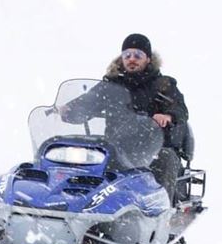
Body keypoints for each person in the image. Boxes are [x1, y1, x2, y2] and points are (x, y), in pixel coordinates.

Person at [60, 33, 189, 203]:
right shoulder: (111, 85)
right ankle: (76, 203)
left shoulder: (163, 84)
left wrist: (168, 115)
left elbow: (179, 108)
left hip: (151, 148)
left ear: (148, 59)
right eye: (127, 55)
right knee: (85, 156)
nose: (132, 59)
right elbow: (90, 100)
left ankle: (161, 211)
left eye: (138, 55)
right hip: (116, 145)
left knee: (165, 158)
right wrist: (69, 109)